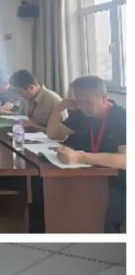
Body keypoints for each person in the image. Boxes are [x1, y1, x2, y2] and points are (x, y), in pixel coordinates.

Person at [47, 75, 126, 232]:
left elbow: (125, 160)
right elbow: (53, 134)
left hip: (116, 185)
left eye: (88, 103)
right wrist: (58, 108)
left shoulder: (121, 117)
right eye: (79, 102)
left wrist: (80, 156)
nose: (83, 107)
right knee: (52, 197)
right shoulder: (81, 114)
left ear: (104, 99)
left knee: (95, 216)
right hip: (85, 178)